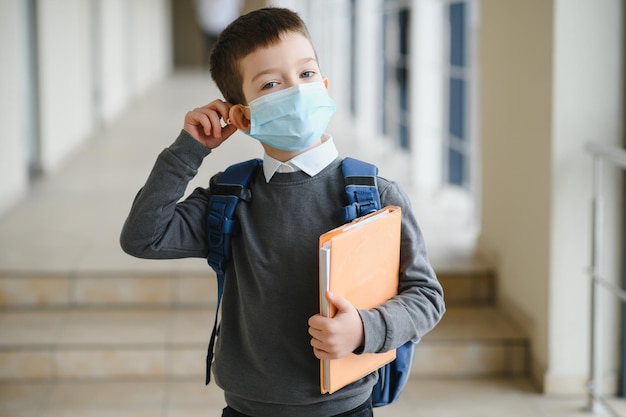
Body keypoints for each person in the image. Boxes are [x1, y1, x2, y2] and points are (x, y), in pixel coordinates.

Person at [120, 7, 445, 417]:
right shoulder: (230, 196)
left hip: (344, 408)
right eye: (271, 83)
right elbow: (142, 237)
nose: (296, 90)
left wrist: (366, 327)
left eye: (306, 75)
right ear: (241, 116)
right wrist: (188, 151)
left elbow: (426, 296)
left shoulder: (376, 195)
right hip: (245, 410)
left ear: (324, 87)